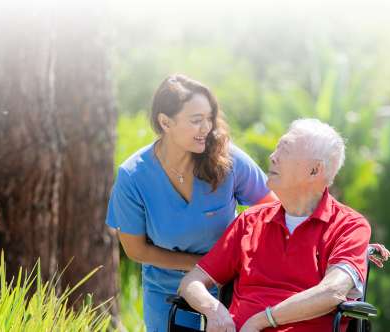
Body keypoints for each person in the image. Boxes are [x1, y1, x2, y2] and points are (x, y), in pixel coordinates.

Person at [177, 118, 388, 331]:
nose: (272, 157)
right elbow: (191, 282)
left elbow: (332, 291)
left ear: (315, 170)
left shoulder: (349, 226)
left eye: (284, 150)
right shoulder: (250, 221)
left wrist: (261, 321)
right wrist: (215, 311)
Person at [106, 74, 277, 331]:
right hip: (167, 292)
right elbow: (136, 250)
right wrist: (202, 266)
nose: (207, 128)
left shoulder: (227, 159)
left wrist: (243, 257)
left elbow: (271, 208)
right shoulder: (133, 176)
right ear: (165, 122)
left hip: (228, 287)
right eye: (196, 120)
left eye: (209, 118)